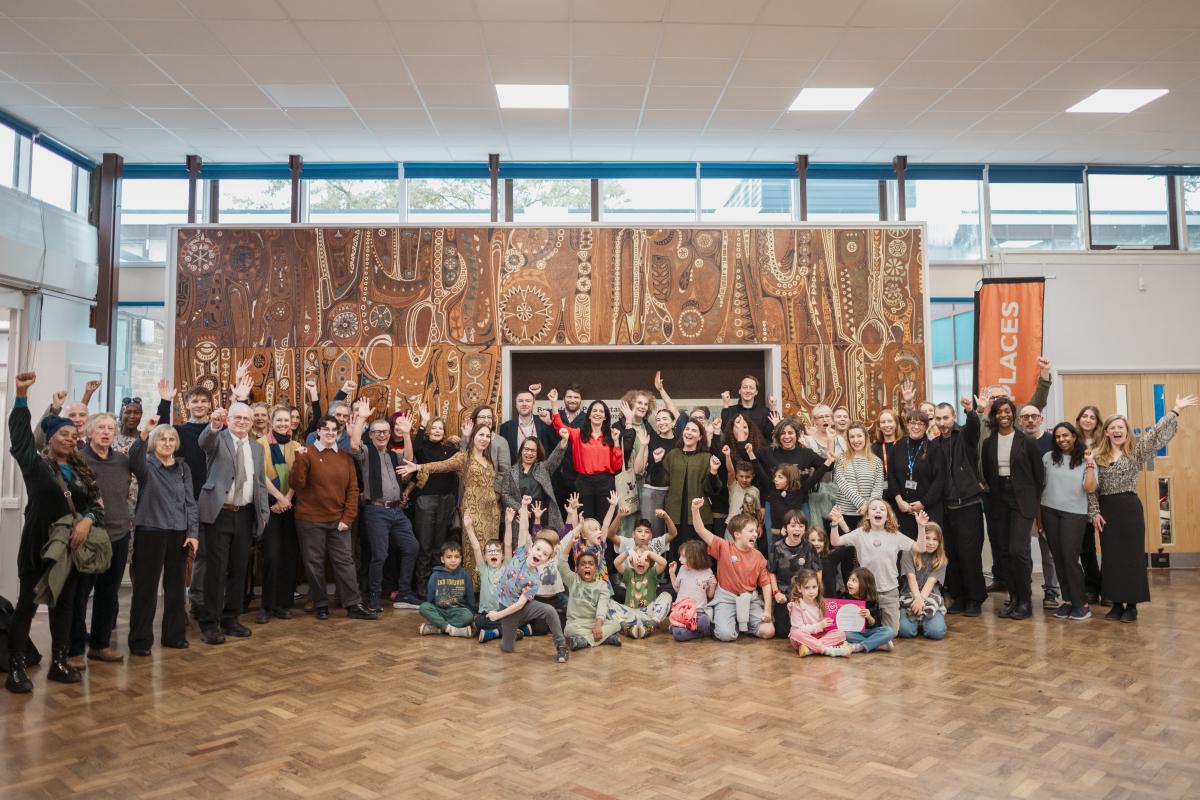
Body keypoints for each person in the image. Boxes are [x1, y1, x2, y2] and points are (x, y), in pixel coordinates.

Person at [5, 372, 105, 694]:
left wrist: (87, 520)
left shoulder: (80, 469)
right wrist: (21, 397)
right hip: (39, 546)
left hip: (72, 549)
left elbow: (97, 505)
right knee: (27, 606)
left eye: (71, 434)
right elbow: (19, 438)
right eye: (62, 433)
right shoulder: (36, 465)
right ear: (49, 438)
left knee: (65, 606)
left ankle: (59, 662)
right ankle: (17, 666)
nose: (68, 438)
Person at [1089, 394, 1197, 622]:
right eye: (1112, 427)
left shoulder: (1136, 451)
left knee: (1131, 557)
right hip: (1107, 510)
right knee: (1110, 558)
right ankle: (1116, 604)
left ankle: (1132, 605)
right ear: (1106, 431)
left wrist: (1174, 411)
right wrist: (1094, 511)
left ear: (1126, 431)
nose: (1117, 431)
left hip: (1129, 508)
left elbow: (1156, 434)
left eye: (1121, 427)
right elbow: (1092, 489)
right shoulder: (1097, 456)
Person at [195, 401, 271, 644]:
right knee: (216, 571)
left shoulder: (257, 448)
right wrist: (214, 426)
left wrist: (263, 515)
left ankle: (231, 619)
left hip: (245, 514)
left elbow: (259, 483)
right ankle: (210, 623)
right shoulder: (219, 439)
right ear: (229, 419)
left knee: (239, 570)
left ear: (252, 423)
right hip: (219, 513)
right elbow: (204, 443)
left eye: (246, 419)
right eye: (237, 418)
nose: (241, 422)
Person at [289, 414, 377, 622]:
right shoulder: (306, 453)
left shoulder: (345, 457)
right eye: (325, 429)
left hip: (338, 520)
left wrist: (348, 518)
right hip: (309, 520)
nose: (330, 432)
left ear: (338, 433)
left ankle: (353, 604)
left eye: (334, 430)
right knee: (314, 563)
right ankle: (320, 604)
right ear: (317, 432)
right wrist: (299, 459)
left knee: (345, 562)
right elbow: (296, 484)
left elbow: (353, 490)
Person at [401, 421, 501, 588]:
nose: (484, 439)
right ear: (473, 438)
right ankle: (474, 592)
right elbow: (442, 465)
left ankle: (490, 589)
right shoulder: (464, 456)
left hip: (491, 513)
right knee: (471, 550)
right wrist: (418, 466)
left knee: (490, 550)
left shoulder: (488, 459)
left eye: (487, 436)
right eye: (481, 435)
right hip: (473, 511)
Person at [127, 420, 198, 655]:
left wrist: (193, 534)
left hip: (178, 534)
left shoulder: (183, 468)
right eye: (162, 439)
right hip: (150, 532)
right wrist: (145, 433)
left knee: (176, 588)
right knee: (146, 590)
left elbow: (191, 503)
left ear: (176, 443)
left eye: (171, 439)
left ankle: (174, 636)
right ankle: (140, 641)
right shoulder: (146, 466)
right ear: (154, 443)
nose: (167, 443)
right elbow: (134, 455)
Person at [69, 413, 133, 668]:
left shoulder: (122, 461)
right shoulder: (79, 460)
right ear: (90, 433)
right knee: (80, 595)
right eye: (101, 428)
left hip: (119, 533)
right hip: (90, 536)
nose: (106, 432)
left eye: (110, 428)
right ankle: (74, 650)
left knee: (109, 594)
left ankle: (100, 645)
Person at [349, 400, 420, 613]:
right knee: (380, 555)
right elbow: (353, 445)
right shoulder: (366, 453)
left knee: (412, 547)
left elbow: (408, 459)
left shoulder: (393, 455)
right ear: (370, 435)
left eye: (385, 432)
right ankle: (373, 597)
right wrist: (361, 417)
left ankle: (404, 593)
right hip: (376, 511)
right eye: (377, 432)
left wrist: (407, 434)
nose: (382, 435)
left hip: (397, 511)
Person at [980, 397, 1045, 621]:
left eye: (1007, 411)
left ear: (1013, 414)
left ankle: (1025, 601)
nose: (1003, 415)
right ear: (994, 416)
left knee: (1019, 550)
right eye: (999, 412)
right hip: (999, 499)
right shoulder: (989, 443)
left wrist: (1034, 503)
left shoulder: (1026, 441)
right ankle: (1014, 598)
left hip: (1022, 500)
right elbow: (989, 473)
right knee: (1006, 552)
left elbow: (1039, 476)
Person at [486, 502, 569, 662]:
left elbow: (519, 605)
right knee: (507, 648)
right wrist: (524, 506)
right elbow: (523, 529)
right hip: (506, 607)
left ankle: (561, 646)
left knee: (550, 611)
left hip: (520, 608)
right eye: (538, 549)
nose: (540, 554)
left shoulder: (534, 579)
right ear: (531, 549)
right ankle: (516, 631)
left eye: (544, 554)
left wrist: (497, 615)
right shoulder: (521, 554)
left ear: (545, 560)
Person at [829, 499, 923, 635]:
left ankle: (874, 636)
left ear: (887, 516)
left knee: (893, 632)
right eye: (873, 508)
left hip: (889, 592)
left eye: (882, 509)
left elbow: (920, 547)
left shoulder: (895, 535)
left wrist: (921, 526)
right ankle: (873, 637)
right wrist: (834, 524)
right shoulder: (859, 533)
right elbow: (835, 541)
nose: (878, 510)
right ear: (867, 515)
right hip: (866, 591)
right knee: (864, 626)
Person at [690, 499, 775, 642]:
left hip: (749, 600)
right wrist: (695, 509)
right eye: (751, 531)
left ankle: (741, 622)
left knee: (768, 631)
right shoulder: (724, 547)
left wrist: (767, 610)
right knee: (725, 635)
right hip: (726, 599)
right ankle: (726, 621)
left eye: (756, 530)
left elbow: (766, 584)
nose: (755, 534)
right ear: (737, 534)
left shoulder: (758, 556)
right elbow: (700, 530)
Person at [931, 400, 986, 617]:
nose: (942, 422)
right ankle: (960, 597)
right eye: (938, 418)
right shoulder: (934, 444)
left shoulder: (964, 436)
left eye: (946, 418)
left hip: (968, 506)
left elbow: (974, 428)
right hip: (946, 508)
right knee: (951, 555)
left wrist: (971, 412)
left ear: (954, 417)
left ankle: (975, 599)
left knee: (969, 555)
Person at [1041, 422, 1097, 622]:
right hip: (1049, 511)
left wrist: (1090, 464)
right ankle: (1067, 601)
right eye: (1058, 437)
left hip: (1074, 513)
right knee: (1058, 557)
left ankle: (1081, 603)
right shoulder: (1048, 458)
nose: (1062, 439)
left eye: (1066, 435)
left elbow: (1090, 488)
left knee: (1070, 557)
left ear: (1074, 436)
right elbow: (1042, 486)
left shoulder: (1085, 459)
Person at [547, 390, 628, 522]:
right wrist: (554, 403)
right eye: (594, 411)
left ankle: (605, 544)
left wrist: (617, 442)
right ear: (589, 415)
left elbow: (617, 466)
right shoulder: (578, 434)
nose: (597, 413)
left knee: (605, 521)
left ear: (606, 416)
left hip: (605, 483)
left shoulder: (611, 436)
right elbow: (559, 426)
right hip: (584, 483)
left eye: (601, 411)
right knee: (584, 522)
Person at [257, 405, 301, 624]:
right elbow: (260, 476)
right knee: (271, 556)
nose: (284, 424)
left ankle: (282, 604)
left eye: (287, 421)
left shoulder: (297, 446)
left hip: (290, 507)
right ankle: (267, 606)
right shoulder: (260, 444)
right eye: (279, 420)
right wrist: (279, 498)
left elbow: (297, 477)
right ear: (271, 422)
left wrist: (288, 499)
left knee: (288, 557)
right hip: (269, 506)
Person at [1018, 403, 1061, 609]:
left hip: (1048, 503)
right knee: (1021, 550)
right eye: (1025, 417)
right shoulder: (1016, 442)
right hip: (1021, 505)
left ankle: (1052, 591)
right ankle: (1022, 591)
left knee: (1049, 551)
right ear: (1020, 421)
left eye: (1034, 416)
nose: (1030, 421)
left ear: (1041, 419)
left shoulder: (1054, 442)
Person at [658, 418, 713, 563]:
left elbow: (712, 488)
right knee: (674, 548)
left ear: (700, 437)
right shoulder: (673, 454)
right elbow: (661, 481)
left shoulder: (706, 457)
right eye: (687, 429)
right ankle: (673, 578)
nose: (689, 432)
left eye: (694, 430)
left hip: (697, 513)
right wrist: (657, 463)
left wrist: (713, 472)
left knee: (696, 549)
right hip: (674, 512)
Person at [557, 527, 622, 650]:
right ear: (577, 568)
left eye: (591, 564)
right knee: (568, 630)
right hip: (576, 624)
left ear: (596, 569)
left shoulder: (602, 585)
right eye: (583, 564)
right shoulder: (573, 579)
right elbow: (561, 564)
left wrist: (598, 625)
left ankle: (584, 641)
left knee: (616, 624)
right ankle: (605, 638)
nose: (587, 566)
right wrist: (570, 542)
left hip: (594, 623)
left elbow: (603, 607)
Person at [500, 427, 570, 532]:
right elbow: (505, 494)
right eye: (526, 449)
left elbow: (555, 458)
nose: (529, 453)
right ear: (521, 450)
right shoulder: (511, 472)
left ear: (537, 453)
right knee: (522, 547)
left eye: (533, 450)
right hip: (520, 518)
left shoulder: (543, 468)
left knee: (542, 546)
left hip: (542, 517)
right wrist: (520, 509)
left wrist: (564, 440)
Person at [887, 410, 943, 540]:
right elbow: (891, 476)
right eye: (913, 423)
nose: (916, 427)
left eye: (921, 424)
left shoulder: (934, 449)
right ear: (907, 424)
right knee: (906, 551)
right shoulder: (897, 447)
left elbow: (939, 480)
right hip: (902, 510)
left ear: (926, 426)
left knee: (927, 549)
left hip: (928, 511)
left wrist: (924, 503)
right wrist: (899, 501)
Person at [767, 509, 822, 638]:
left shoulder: (809, 548)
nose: (797, 529)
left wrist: (816, 593)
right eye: (793, 525)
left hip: (805, 597)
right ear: (785, 527)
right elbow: (771, 572)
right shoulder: (776, 546)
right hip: (784, 596)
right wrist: (776, 592)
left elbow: (818, 571)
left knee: (809, 629)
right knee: (782, 632)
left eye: (801, 526)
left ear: (805, 529)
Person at [898, 513, 948, 640]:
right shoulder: (909, 551)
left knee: (936, 633)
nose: (931, 543)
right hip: (910, 596)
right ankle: (918, 621)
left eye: (935, 539)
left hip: (930, 597)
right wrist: (917, 599)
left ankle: (924, 620)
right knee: (905, 631)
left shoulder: (941, 559)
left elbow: (931, 583)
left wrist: (921, 600)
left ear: (940, 541)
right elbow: (911, 577)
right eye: (927, 538)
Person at [608, 543, 672, 638]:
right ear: (631, 561)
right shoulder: (629, 572)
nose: (640, 562)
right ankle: (625, 626)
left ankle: (652, 624)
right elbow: (616, 563)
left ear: (650, 563)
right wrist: (628, 552)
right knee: (606, 601)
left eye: (645, 559)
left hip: (648, 613)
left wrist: (649, 553)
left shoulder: (652, 573)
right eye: (637, 558)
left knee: (667, 595)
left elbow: (664, 563)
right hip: (629, 613)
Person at [1074, 405, 1104, 603]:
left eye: (1092, 417)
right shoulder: (1072, 441)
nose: (1087, 419)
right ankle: (1092, 587)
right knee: (1086, 548)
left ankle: (1111, 589)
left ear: (1097, 422)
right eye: (1084, 416)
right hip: (1080, 500)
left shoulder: (1105, 442)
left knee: (1110, 548)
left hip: (1104, 499)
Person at [832, 423, 885, 530]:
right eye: (852, 437)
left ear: (866, 437)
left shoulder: (876, 461)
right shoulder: (841, 459)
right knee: (845, 546)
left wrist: (869, 506)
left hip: (868, 516)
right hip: (844, 515)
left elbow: (878, 488)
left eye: (859, 436)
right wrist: (862, 503)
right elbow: (842, 484)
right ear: (848, 439)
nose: (856, 440)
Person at [787, 570, 851, 657]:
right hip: (805, 637)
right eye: (807, 587)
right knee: (795, 633)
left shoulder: (822, 603)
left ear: (818, 587)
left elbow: (825, 626)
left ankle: (810, 649)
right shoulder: (796, 605)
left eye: (814, 587)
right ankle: (827, 650)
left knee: (841, 633)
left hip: (818, 637)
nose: (811, 591)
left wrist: (827, 624)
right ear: (799, 588)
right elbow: (800, 629)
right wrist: (819, 626)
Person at [417, 542, 476, 637]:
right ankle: (451, 629)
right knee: (424, 607)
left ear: (461, 559)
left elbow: (470, 599)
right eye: (449, 557)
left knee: (468, 616)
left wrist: (470, 614)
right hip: (440, 611)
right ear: (442, 559)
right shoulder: (435, 575)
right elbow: (430, 599)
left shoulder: (465, 575)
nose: (453, 560)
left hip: (457, 611)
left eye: (456, 557)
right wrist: (433, 613)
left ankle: (438, 628)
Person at [667, 539, 716, 641]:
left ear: (695, 557)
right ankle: (704, 631)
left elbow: (710, 595)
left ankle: (693, 629)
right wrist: (672, 573)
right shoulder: (682, 569)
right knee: (678, 634)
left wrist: (713, 586)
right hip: (682, 612)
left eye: (683, 556)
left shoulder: (707, 572)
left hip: (699, 613)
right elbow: (677, 589)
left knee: (704, 621)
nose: (680, 559)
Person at [498, 384, 558, 461]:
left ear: (533, 404)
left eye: (528, 401)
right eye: (520, 401)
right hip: (516, 471)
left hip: (540, 470)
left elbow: (555, 445)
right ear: (516, 405)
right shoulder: (506, 428)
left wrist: (549, 423)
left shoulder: (544, 423)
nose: (524, 404)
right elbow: (503, 455)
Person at [842, 568, 895, 654]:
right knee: (844, 634)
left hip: (870, 631)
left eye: (854, 581)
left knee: (889, 631)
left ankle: (860, 646)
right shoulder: (844, 596)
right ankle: (877, 645)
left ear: (865, 584)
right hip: (854, 632)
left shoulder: (872, 600)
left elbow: (876, 623)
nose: (849, 582)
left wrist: (869, 617)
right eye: (849, 579)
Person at [871, 408, 905, 479]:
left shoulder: (905, 444)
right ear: (879, 426)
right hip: (882, 488)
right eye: (883, 422)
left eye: (890, 421)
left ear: (896, 424)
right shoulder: (873, 448)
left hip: (901, 488)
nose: (886, 425)